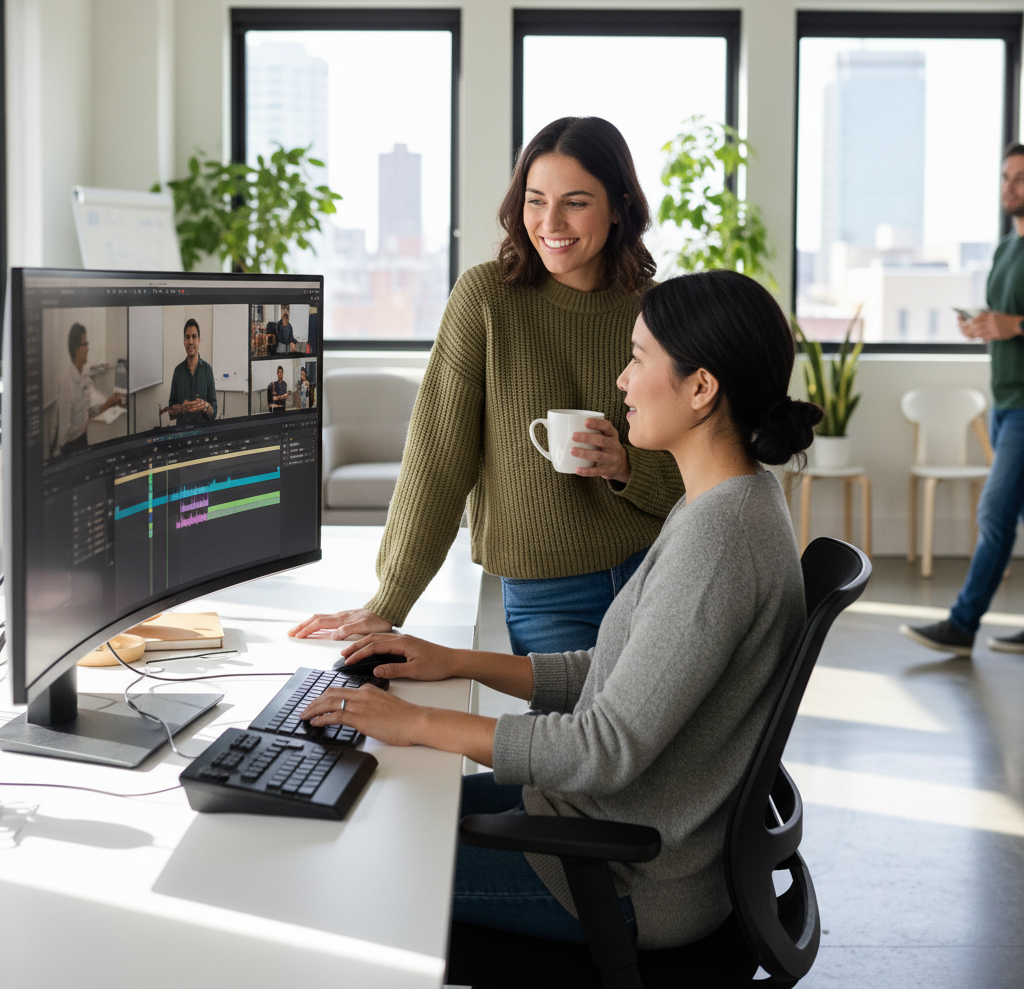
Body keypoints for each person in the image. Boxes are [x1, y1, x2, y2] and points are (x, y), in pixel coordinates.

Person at [300, 270, 820, 949]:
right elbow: (618, 673)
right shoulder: (721, 504)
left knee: (357, 855)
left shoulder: (719, 540)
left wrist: (419, 722)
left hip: (624, 874)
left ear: (701, 388)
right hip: (594, 827)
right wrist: (458, 663)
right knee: (374, 803)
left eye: (638, 359)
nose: (622, 381)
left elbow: (602, 749)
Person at [290, 117, 685, 656]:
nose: (550, 221)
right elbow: (437, 455)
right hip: (549, 595)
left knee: (648, 740)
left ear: (618, 207)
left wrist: (625, 465)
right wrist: (389, 601)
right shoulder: (486, 299)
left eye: (575, 202)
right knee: (570, 737)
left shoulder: (654, 312)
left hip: (652, 571)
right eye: (535, 199)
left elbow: (697, 463)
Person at [901, 144, 1024, 656]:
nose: (1009, 187)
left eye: (1020, 178)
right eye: (1005, 177)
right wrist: (983, 325)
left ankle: (963, 623)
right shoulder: (1005, 249)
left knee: (995, 512)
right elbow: (1006, 318)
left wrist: (1014, 324)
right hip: (1003, 399)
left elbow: (1016, 321)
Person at [55, 322, 122, 455]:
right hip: (71, 448)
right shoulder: (67, 383)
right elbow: (64, 433)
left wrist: (109, 403)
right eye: (85, 344)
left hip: (83, 441)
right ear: (77, 349)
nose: (88, 348)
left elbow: (89, 413)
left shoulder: (84, 378)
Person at [167, 318, 217, 427]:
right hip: (182, 433)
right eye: (187, 337)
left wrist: (206, 406)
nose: (190, 342)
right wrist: (179, 409)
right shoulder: (178, 371)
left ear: (199, 340)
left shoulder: (207, 370)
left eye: (194, 337)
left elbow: (214, 412)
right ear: (184, 340)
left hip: (203, 433)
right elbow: (171, 412)